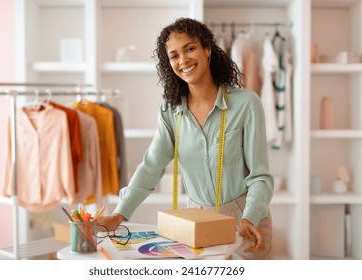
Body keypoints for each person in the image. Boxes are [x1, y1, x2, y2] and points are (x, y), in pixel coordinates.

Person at [98, 17, 274, 260]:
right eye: (174, 55)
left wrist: (249, 217)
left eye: (190, 48)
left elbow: (260, 176)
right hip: (195, 220)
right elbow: (151, 166)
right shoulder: (171, 110)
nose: (183, 60)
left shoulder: (245, 103)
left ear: (207, 49)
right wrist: (119, 215)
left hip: (245, 218)